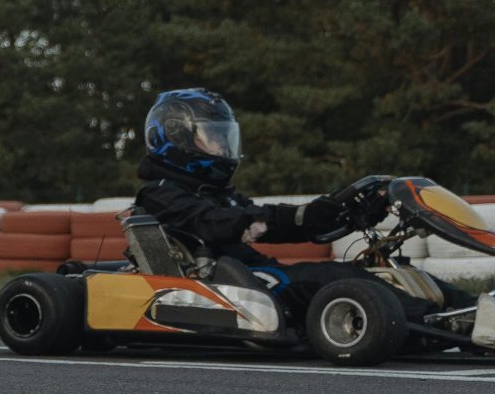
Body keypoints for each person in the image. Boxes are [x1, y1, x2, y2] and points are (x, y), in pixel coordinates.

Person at [130, 88, 371, 304]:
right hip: (220, 284)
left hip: (248, 276)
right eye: (213, 138)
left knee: (356, 275)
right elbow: (214, 223)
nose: (223, 147)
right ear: (174, 138)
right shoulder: (159, 193)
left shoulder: (213, 193)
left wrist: (329, 214)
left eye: (225, 138)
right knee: (335, 278)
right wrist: (295, 215)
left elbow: (269, 225)